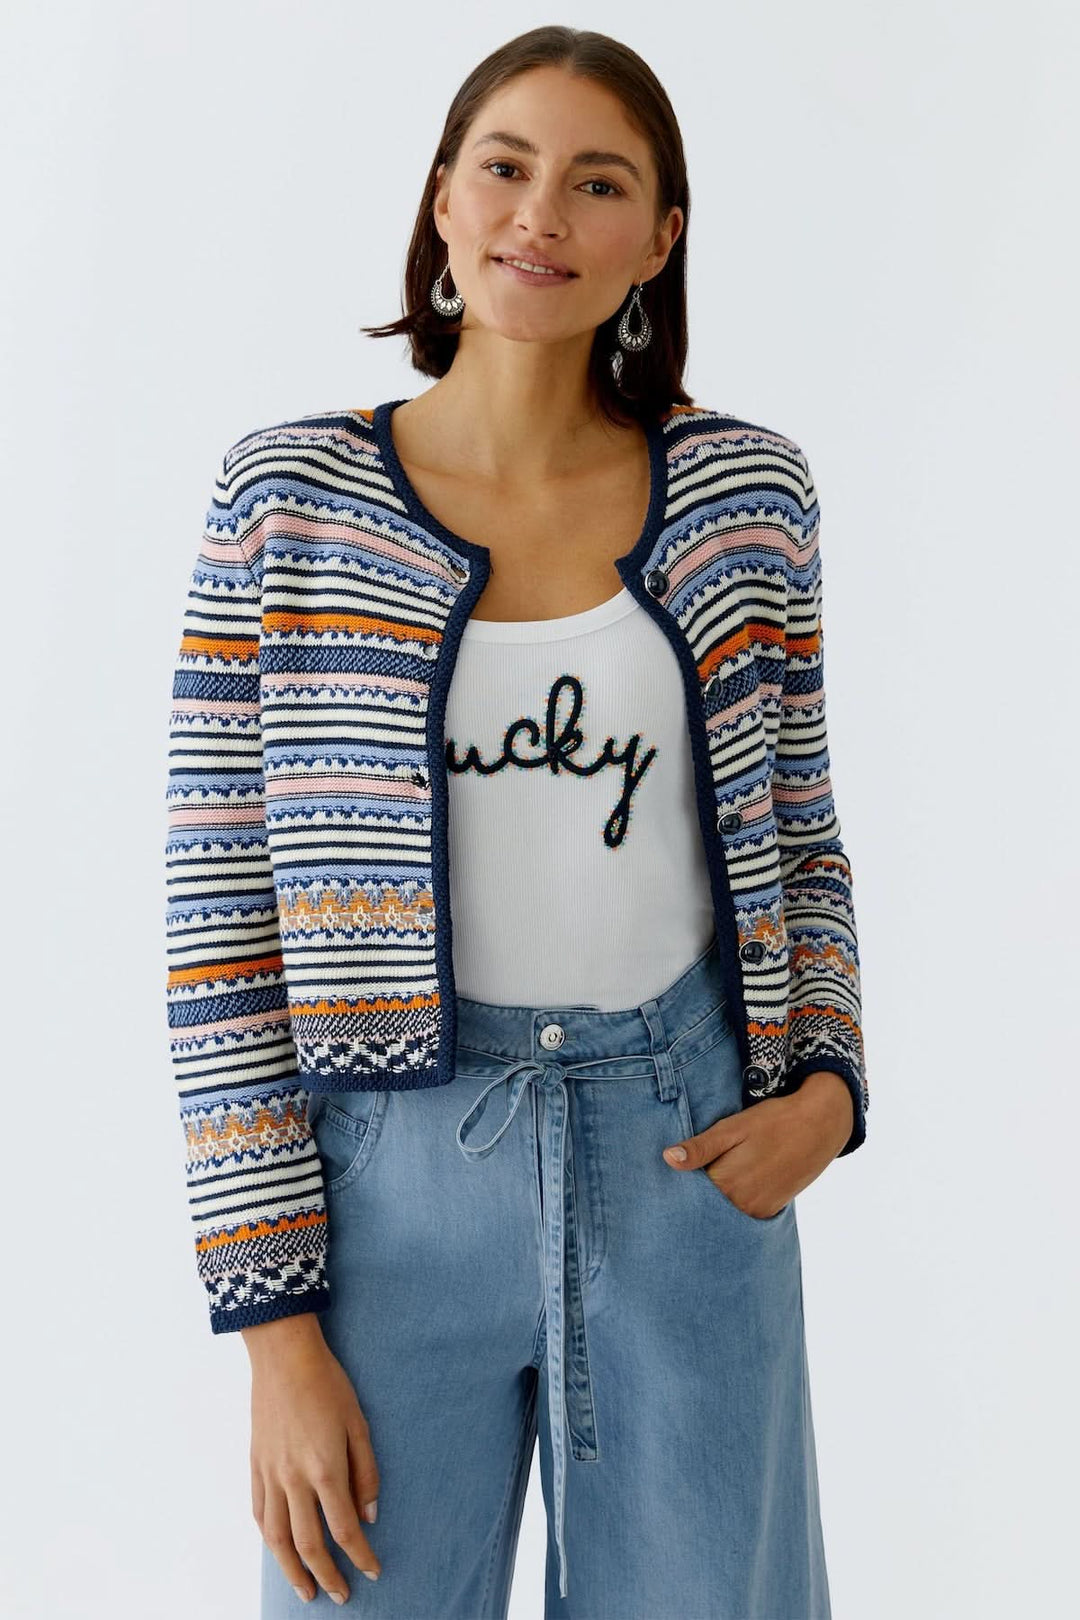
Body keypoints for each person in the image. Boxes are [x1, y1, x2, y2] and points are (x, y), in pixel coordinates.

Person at [164, 25, 867, 1618]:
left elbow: (802, 829)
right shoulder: (289, 500)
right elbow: (222, 918)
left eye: (597, 183)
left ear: (658, 239)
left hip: (689, 1152)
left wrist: (827, 1088)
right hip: (388, 1187)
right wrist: (275, 1334)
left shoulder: (748, 497)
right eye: (505, 166)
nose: (540, 214)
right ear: (443, 199)